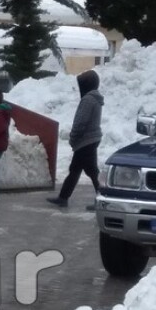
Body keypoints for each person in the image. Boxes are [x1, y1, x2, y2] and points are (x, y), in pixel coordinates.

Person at [47, 69, 103, 207]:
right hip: (91, 139)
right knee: (76, 170)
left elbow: (80, 122)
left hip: (85, 140)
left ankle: (103, 200)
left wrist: (73, 137)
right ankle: (63, 198)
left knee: (92, 172)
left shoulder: (88, 100)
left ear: (86, 85)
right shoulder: (95, 98)